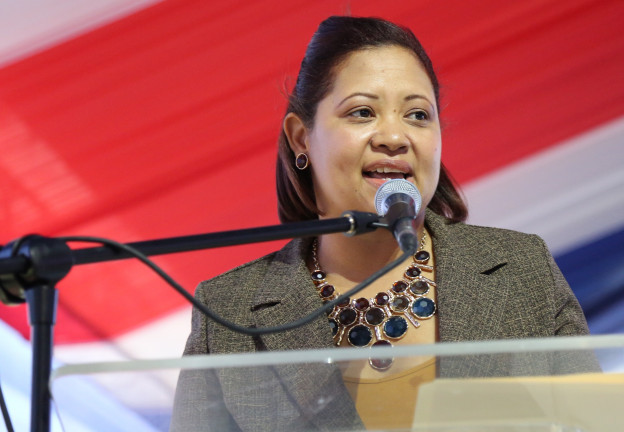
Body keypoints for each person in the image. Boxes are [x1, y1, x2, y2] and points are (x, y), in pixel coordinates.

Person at [171, 15, 591, 432]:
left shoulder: (522, 269)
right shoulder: (228, 311)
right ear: (301, 138)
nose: (394, 137)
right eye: (362, 112)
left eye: (418, 115)